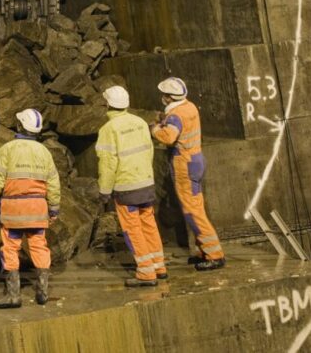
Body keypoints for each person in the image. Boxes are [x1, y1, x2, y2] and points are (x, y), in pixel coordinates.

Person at [0, 109, 61, 308]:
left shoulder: (7, 150)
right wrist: (54, 208)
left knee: (10, 248)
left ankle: (13, 295)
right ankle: (42, 292)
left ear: (20, 126)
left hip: (13, 211)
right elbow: (53, 183)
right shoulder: (44, 152)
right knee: (39, 247)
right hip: (37, 210)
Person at [152, 77, 226, 271]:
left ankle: (214, 254)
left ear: (169, 97)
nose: (162, 97)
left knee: (193, 212)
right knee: (197, 207)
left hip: (184, 164)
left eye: (164, 95)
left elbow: (168, 137)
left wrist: (155, 128)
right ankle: (204, 251)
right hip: (196, 160)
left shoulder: (175, 116)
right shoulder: (190, 107)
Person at [96, 85, 167, 287]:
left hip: (126, 186)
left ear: (108, 104)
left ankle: (146, 273)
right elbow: (149, 151)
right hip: (146, 182)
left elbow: (108, 164)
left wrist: (104, 191)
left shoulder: (108, 129)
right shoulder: (140, 123)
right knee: (149, 224)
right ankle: (159, 266)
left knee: (132, 229)